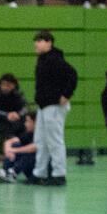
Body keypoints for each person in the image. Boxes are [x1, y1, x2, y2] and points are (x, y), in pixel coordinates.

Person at [31, 30, 77, 186]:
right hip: (44, 105)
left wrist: (66, 95)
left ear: (49, 42)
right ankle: (39, 173)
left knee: (55, 140)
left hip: (54, 106)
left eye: (40, 41)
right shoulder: (43, 59)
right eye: (36, 41)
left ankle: (59, 174)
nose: (36, 44)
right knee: (41, 141)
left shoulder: (55, 59)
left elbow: (73, 75)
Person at [0, 112, 37, 183]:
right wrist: (9, 151)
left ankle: (14, 172)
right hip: (29, 170)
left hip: (40, 170)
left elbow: (35, 147)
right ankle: (4, 170)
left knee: (30, 152)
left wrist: (14, 150)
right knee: (16, 145)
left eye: (28, 121)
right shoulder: (29, 133)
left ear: (36, 123)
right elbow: (9, 142)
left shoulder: (42, 135)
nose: (25, 124)